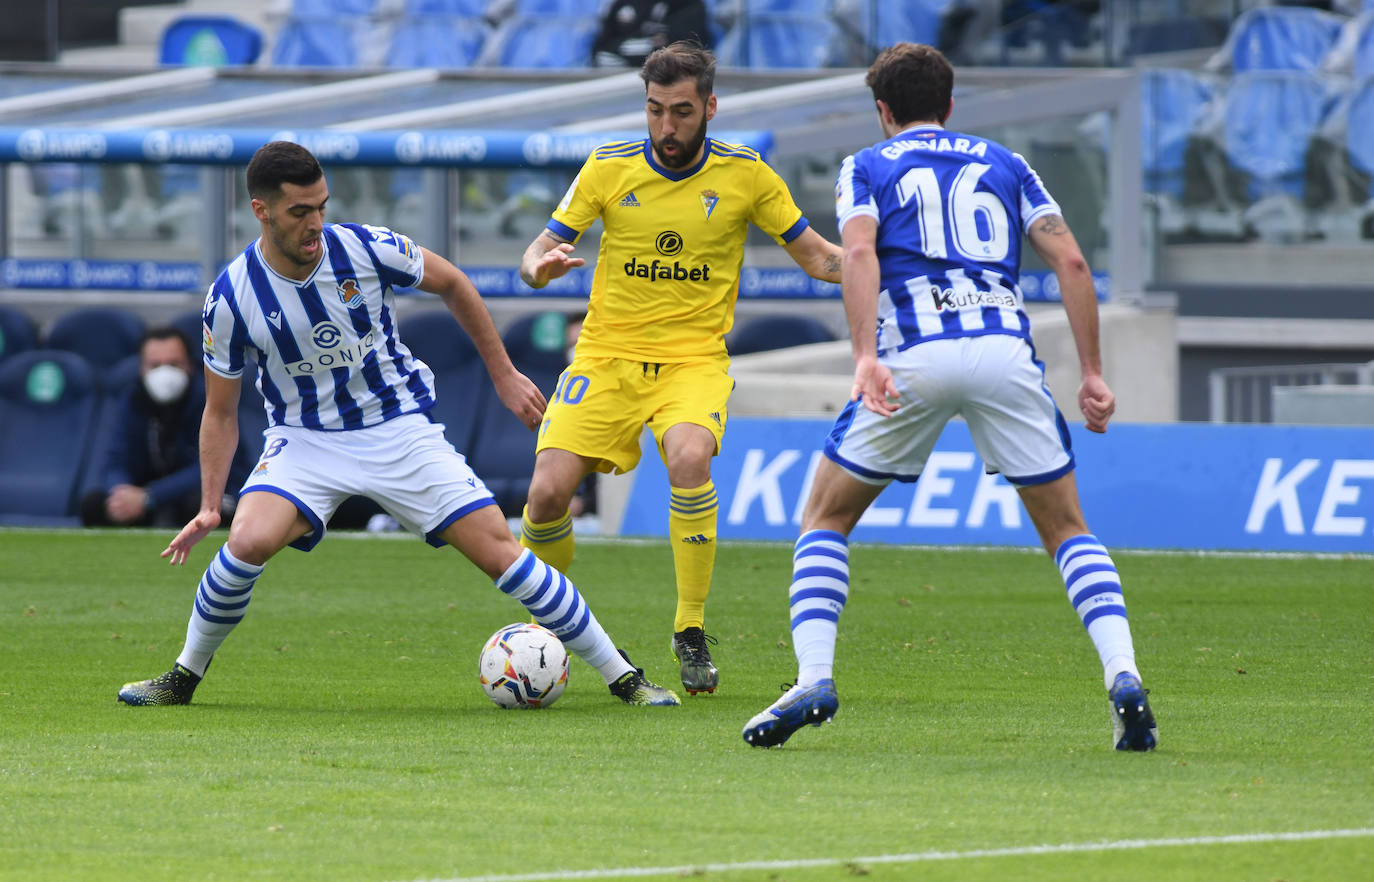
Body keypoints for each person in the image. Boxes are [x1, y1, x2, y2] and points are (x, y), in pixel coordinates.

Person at [116, 140, 679, 709]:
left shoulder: (365, 247)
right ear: (261, 211)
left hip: (398, 428)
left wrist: (504, 374)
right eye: (299, 212)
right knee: (246, 542)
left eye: (321, 207)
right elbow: (219, 412)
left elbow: (454, 282)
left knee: (499, 552)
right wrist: (210, 505)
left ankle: (623, 676)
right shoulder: (231, 298)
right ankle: (181, 678)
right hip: (305, 440)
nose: (315, 224)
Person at [741, 43, 1158, 751]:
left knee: (825, 516)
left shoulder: (866, 165)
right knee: (1067, 529)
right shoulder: (1007, 163)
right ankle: (1124, 675)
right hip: (1003, 353)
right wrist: (1092, 371)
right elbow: (1072, 260)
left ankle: (814, 677)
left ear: (883, 110)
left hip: (916, 355)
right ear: (950, 104)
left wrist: (866, 356)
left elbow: (861, 253)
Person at [518, 42, 843, 695]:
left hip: (693, 360)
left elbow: (819, 258)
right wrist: (538, 269)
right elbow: (539, 251)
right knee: (548, 492)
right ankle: (543, 630)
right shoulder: (607, 166)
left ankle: (689, 627)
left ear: (710, 107)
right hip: (605, 356)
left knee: (690, 457)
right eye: (655, 110)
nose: (666, 126)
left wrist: (887, 264)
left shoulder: (747, 175)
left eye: (682, 112)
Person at [80, 327, 243, 528]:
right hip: (147, 496)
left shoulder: (212, 402)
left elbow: (213, 467)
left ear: (190, 365)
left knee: (199, 506)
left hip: (207, 493)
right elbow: (116, 459)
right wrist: (122, 493)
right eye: (155, 365)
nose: (164, 373)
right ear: (142, 368)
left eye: (174, 364)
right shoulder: (133, 399)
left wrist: (151, 496)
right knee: (95, 504)